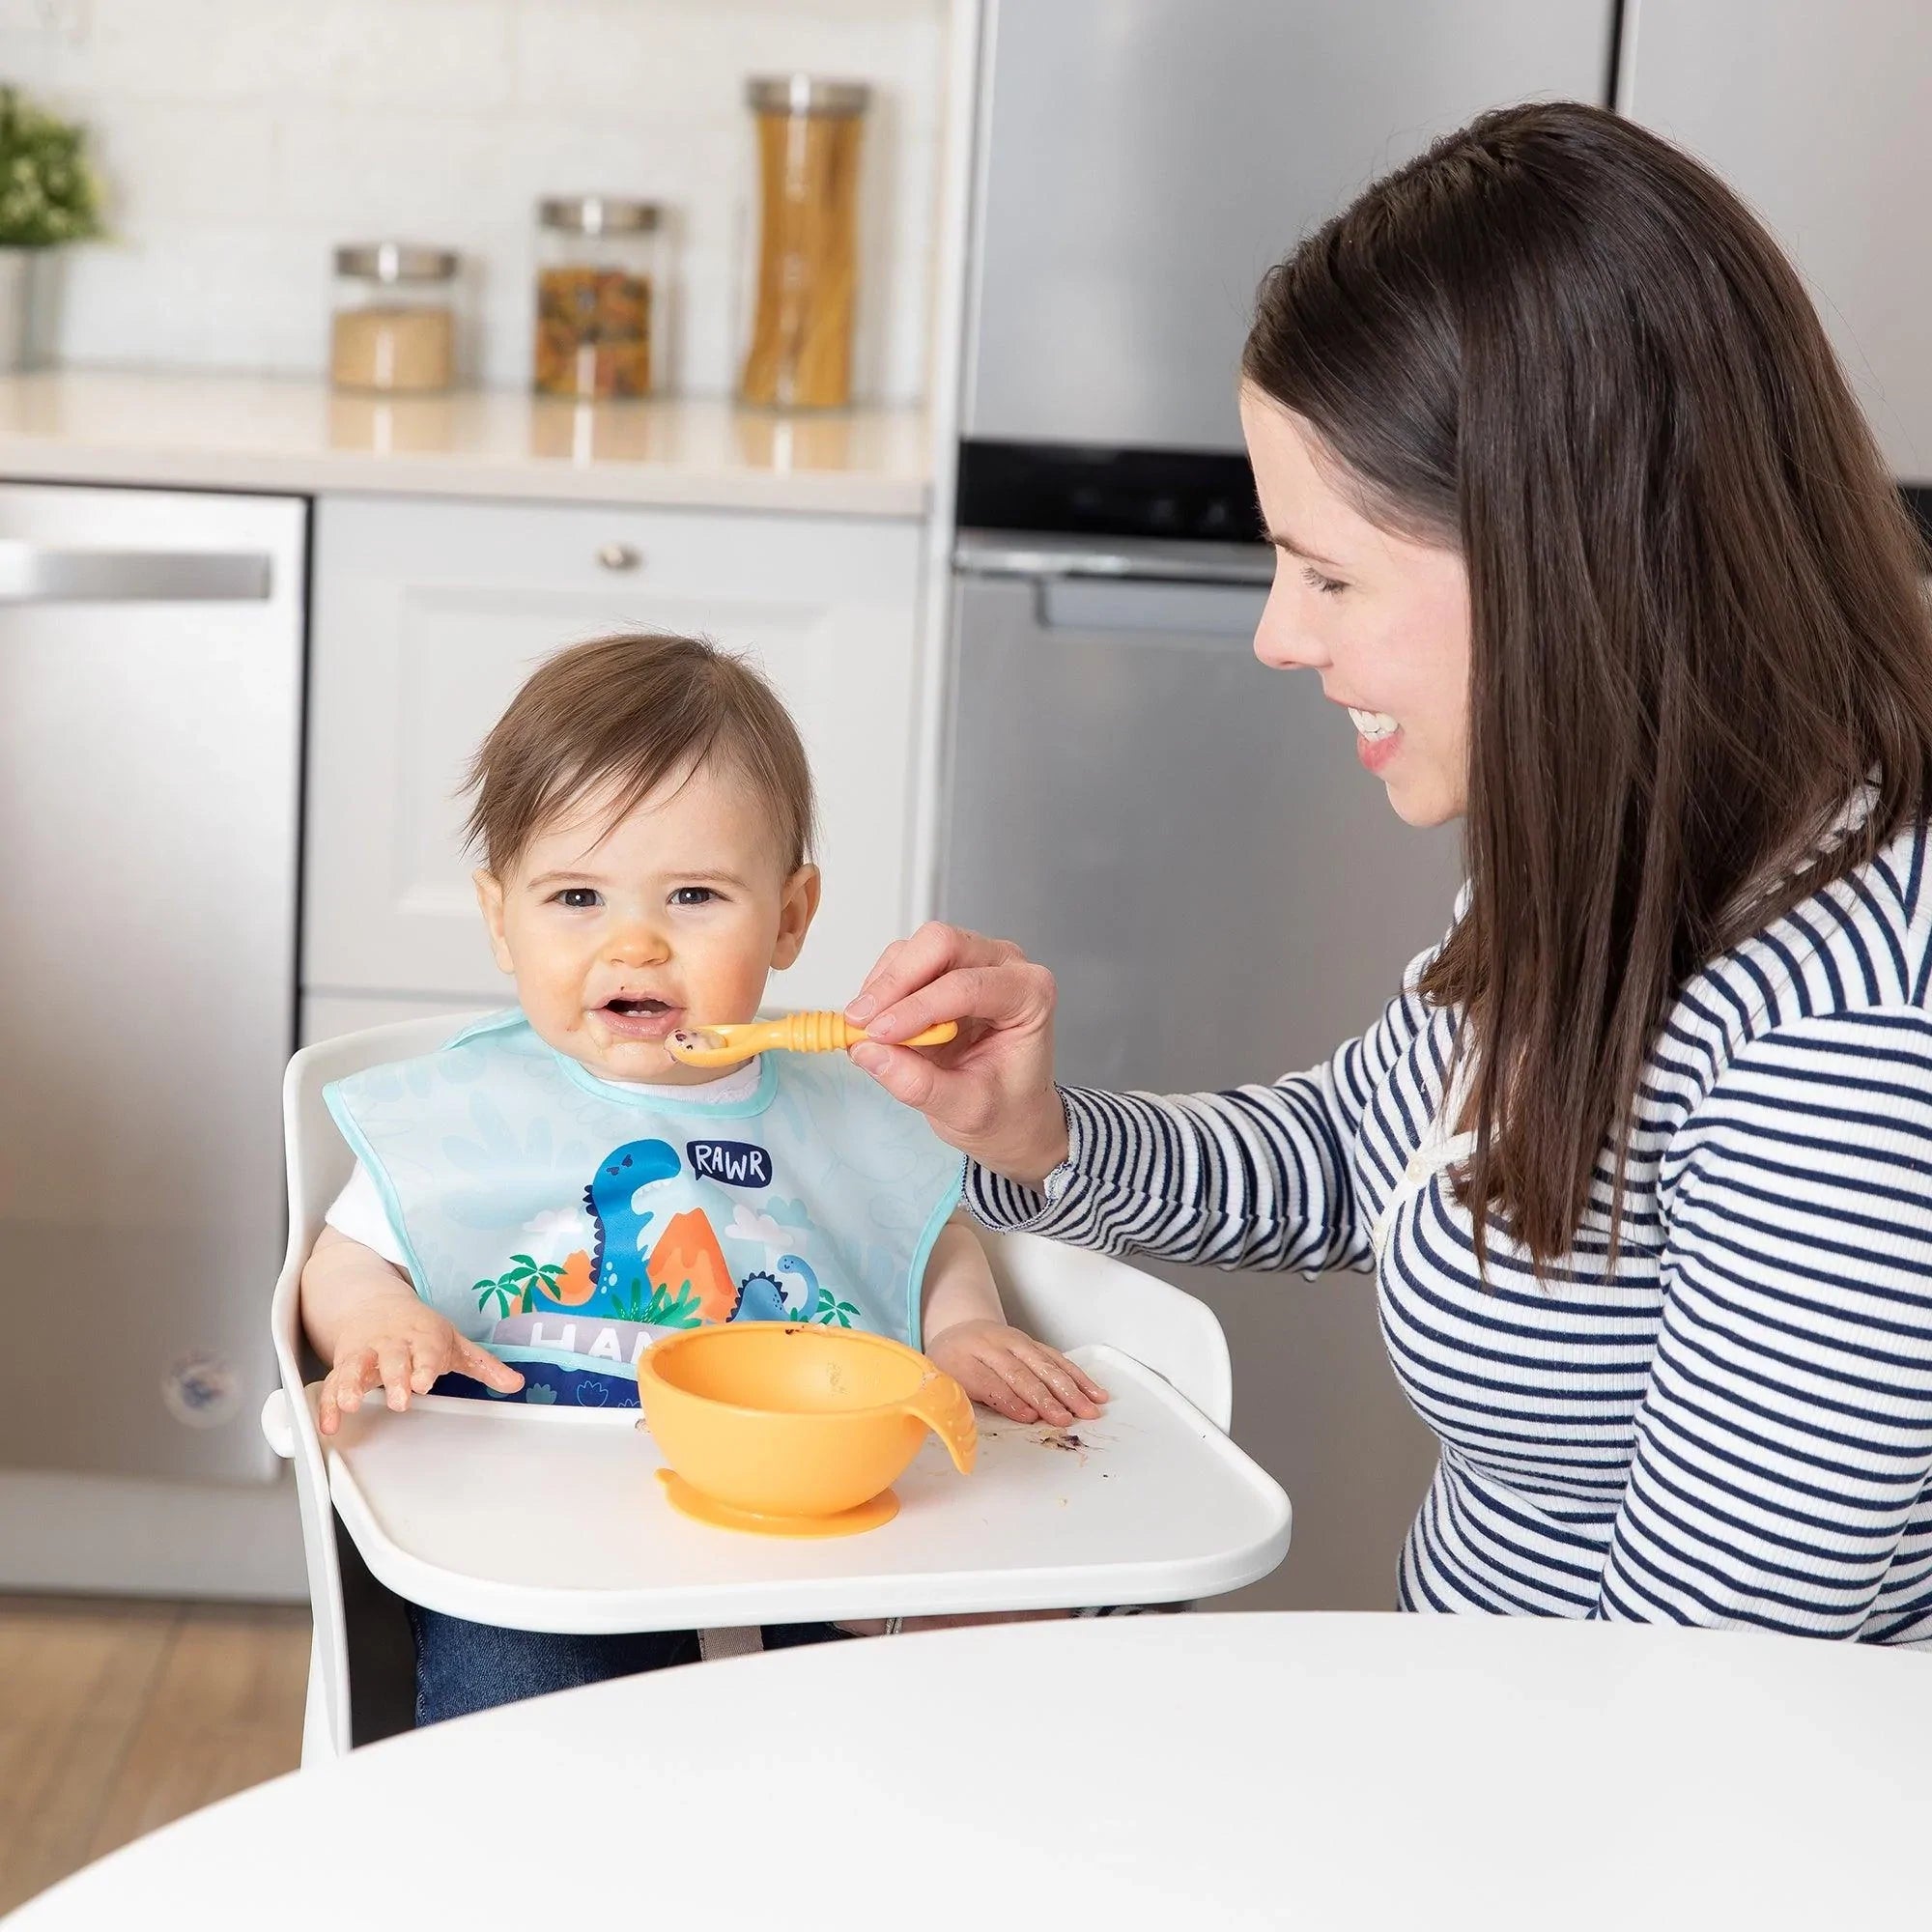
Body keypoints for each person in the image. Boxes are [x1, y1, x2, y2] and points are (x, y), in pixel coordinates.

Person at [843, 101, 1932, 1642]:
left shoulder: (1845, 1039)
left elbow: (1697, 1702)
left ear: (1567, 558)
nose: (1281, 636)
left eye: (1331, 572)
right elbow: (1363, 1162)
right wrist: (1040, 1136)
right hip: (1481, 1752)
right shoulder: (1624, 846)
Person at [299, 631, 1106, 1721]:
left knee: (908, 1693)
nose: (634, 945)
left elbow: (924, 1231)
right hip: (538, 1539)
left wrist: (956, 1329)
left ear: (788, 915)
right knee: (523, 1709)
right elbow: (347, 1251)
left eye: (691, 896)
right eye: (577, 897)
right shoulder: (465, 1111)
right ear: (500, 917)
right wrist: (378, 1318)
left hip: (797, 1512)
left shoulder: (843, 1102)